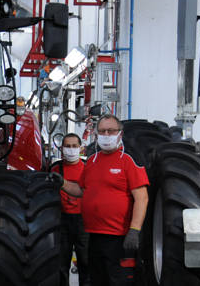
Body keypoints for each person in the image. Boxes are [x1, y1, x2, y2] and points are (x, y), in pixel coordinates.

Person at [61, 114, 149, 286]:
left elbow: (142, 198)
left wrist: (134, 230)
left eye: (111, 131)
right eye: (102, 131)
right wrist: (61, 182)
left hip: (119, 237)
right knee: (97, 279)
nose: (106, 135)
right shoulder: (92, 161)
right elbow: (80, 190)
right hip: (94, 235)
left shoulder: (128, 160)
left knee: (118, 280)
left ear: (120, 134)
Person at [50, 133, 89, 286]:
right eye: (67, 146)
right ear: (61, 149)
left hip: (83, 222)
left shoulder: (88, 168)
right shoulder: (55, 168)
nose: (71, 149)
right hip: (61, 221)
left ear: (81, 148)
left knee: (86, 262)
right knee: (61, 263)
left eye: (74, 146)